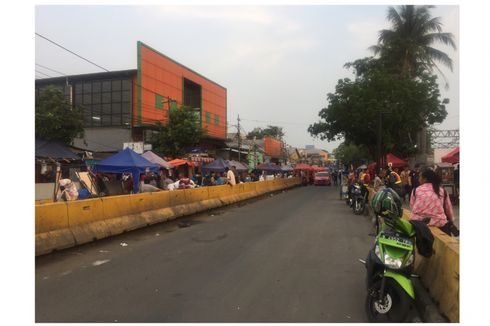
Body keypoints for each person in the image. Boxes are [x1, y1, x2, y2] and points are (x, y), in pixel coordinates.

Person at [409, 168, 457, 236]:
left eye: (420, 177)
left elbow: (412, 207)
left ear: (425, 179)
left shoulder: (416, 190)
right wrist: (451, 221)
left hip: (418, 223)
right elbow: (448, 209)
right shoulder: (442, 190)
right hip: (439, 223)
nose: (418, 179)